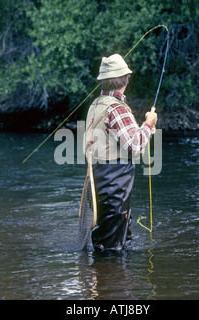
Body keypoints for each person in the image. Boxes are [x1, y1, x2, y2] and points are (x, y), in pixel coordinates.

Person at [84, 53, 158, 251]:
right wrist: (148, 125)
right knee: (113, 248)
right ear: (126, 79)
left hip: (99, 179)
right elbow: (135, 145)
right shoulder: (117, 109)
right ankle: (111, 280)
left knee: (110, 240)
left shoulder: (95, 105)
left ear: (103, 81)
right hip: (115, 183)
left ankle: (106, 278)